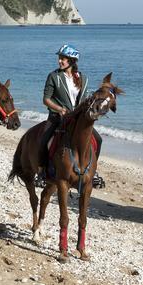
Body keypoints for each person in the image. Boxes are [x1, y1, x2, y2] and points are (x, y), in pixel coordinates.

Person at [37, 44, 104, 188]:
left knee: (98, 139)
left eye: (63, 59)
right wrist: (59, 109)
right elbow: (46, 99)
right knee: (44, 140)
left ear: (72, 61)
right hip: (57, 118)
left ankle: (93, 172)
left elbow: (85, 99)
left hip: (78, 119)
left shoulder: (84, 78)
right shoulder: (54, 76)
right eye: (59, 58)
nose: (59, 61)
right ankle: (42, 172)